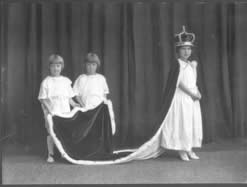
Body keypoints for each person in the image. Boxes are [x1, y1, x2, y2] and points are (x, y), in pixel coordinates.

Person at [161, 26, 203, 161]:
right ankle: (182, 150)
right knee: (183, 123)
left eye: (189, 49)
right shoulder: (177, 64)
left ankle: (189, 148)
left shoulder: (191, 65)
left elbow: (193, 81)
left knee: (191, 123)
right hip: (181, 98)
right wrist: (191, 94)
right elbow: (178, 83)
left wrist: (197, 92)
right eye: (183, 49)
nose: (186, 51)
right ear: (178, 51)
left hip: (192, 98)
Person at [38, 54, 79, 163]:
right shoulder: (46, 82)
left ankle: (64, 153)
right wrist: (49, 112)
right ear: (49, 67)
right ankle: (51, 154)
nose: (56, 68)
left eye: (58, 66)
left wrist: (76, 105)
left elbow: (70, 98)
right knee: (51, 133)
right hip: (52, 113)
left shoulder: (66, 81)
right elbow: (43, 99)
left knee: (64, 133)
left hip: (65, 112)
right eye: (53, 66)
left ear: (61, 67)